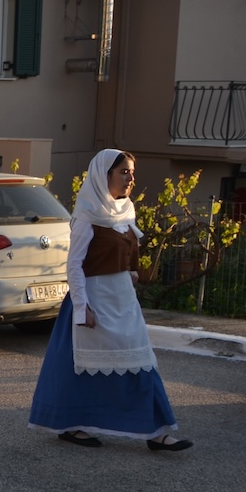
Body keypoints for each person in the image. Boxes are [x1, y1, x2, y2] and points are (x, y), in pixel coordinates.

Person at [28, 150, 192, 451]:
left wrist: (129, 273)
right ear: (104, 175)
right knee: (83, 367)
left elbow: (128, 256)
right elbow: (74, 265)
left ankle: (156, 431)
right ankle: (73, 425)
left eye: (132, 172)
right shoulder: (87, 216)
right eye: (124, 172)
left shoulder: (125, 212)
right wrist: (82, 308)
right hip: (94, 297)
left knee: (141, 361)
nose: (130, 178)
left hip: (123, 300)